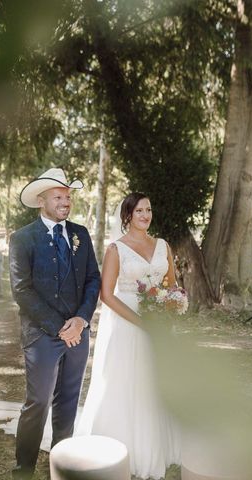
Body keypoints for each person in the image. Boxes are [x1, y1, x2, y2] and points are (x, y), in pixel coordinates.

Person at [75, 192, 180, 478]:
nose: (145, 215)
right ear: (128, 216)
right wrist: (142, 322)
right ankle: (121, 448)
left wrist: (170, 307)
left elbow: (171, 283)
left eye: (148, 209)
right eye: (139, 211)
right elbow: (106, 295)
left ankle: (155, 445)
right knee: (126, 383)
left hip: (159, 321)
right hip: (125, 323)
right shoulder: (116, 250)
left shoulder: (163, 245)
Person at [9, 167, 101, 479]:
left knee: (69, 401)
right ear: (41, 201)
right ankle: (23, 468)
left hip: (78, 333)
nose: (66, 202)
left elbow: (93, 279)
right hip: (41, 335)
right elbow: (21, 290)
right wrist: (60, 326)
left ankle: (61, 466)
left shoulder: (80, 234)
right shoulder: (22, 239)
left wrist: (81, 320)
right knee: (38, 402)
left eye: (68, 197)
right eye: (59, 197)